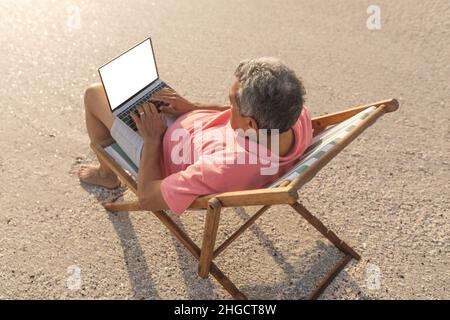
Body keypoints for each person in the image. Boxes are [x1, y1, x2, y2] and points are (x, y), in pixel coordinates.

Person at [79, 57, 313, 214]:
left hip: (158, 152)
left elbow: (148, 198)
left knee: (94, 93)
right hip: (187, 124)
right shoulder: (294, 116)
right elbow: (251, 115)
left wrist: (152, 139)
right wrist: (193, 107)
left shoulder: (225, 167)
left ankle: (106, 175)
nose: (227, 106)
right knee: (132, 86)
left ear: (250, 123)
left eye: (231, 103)